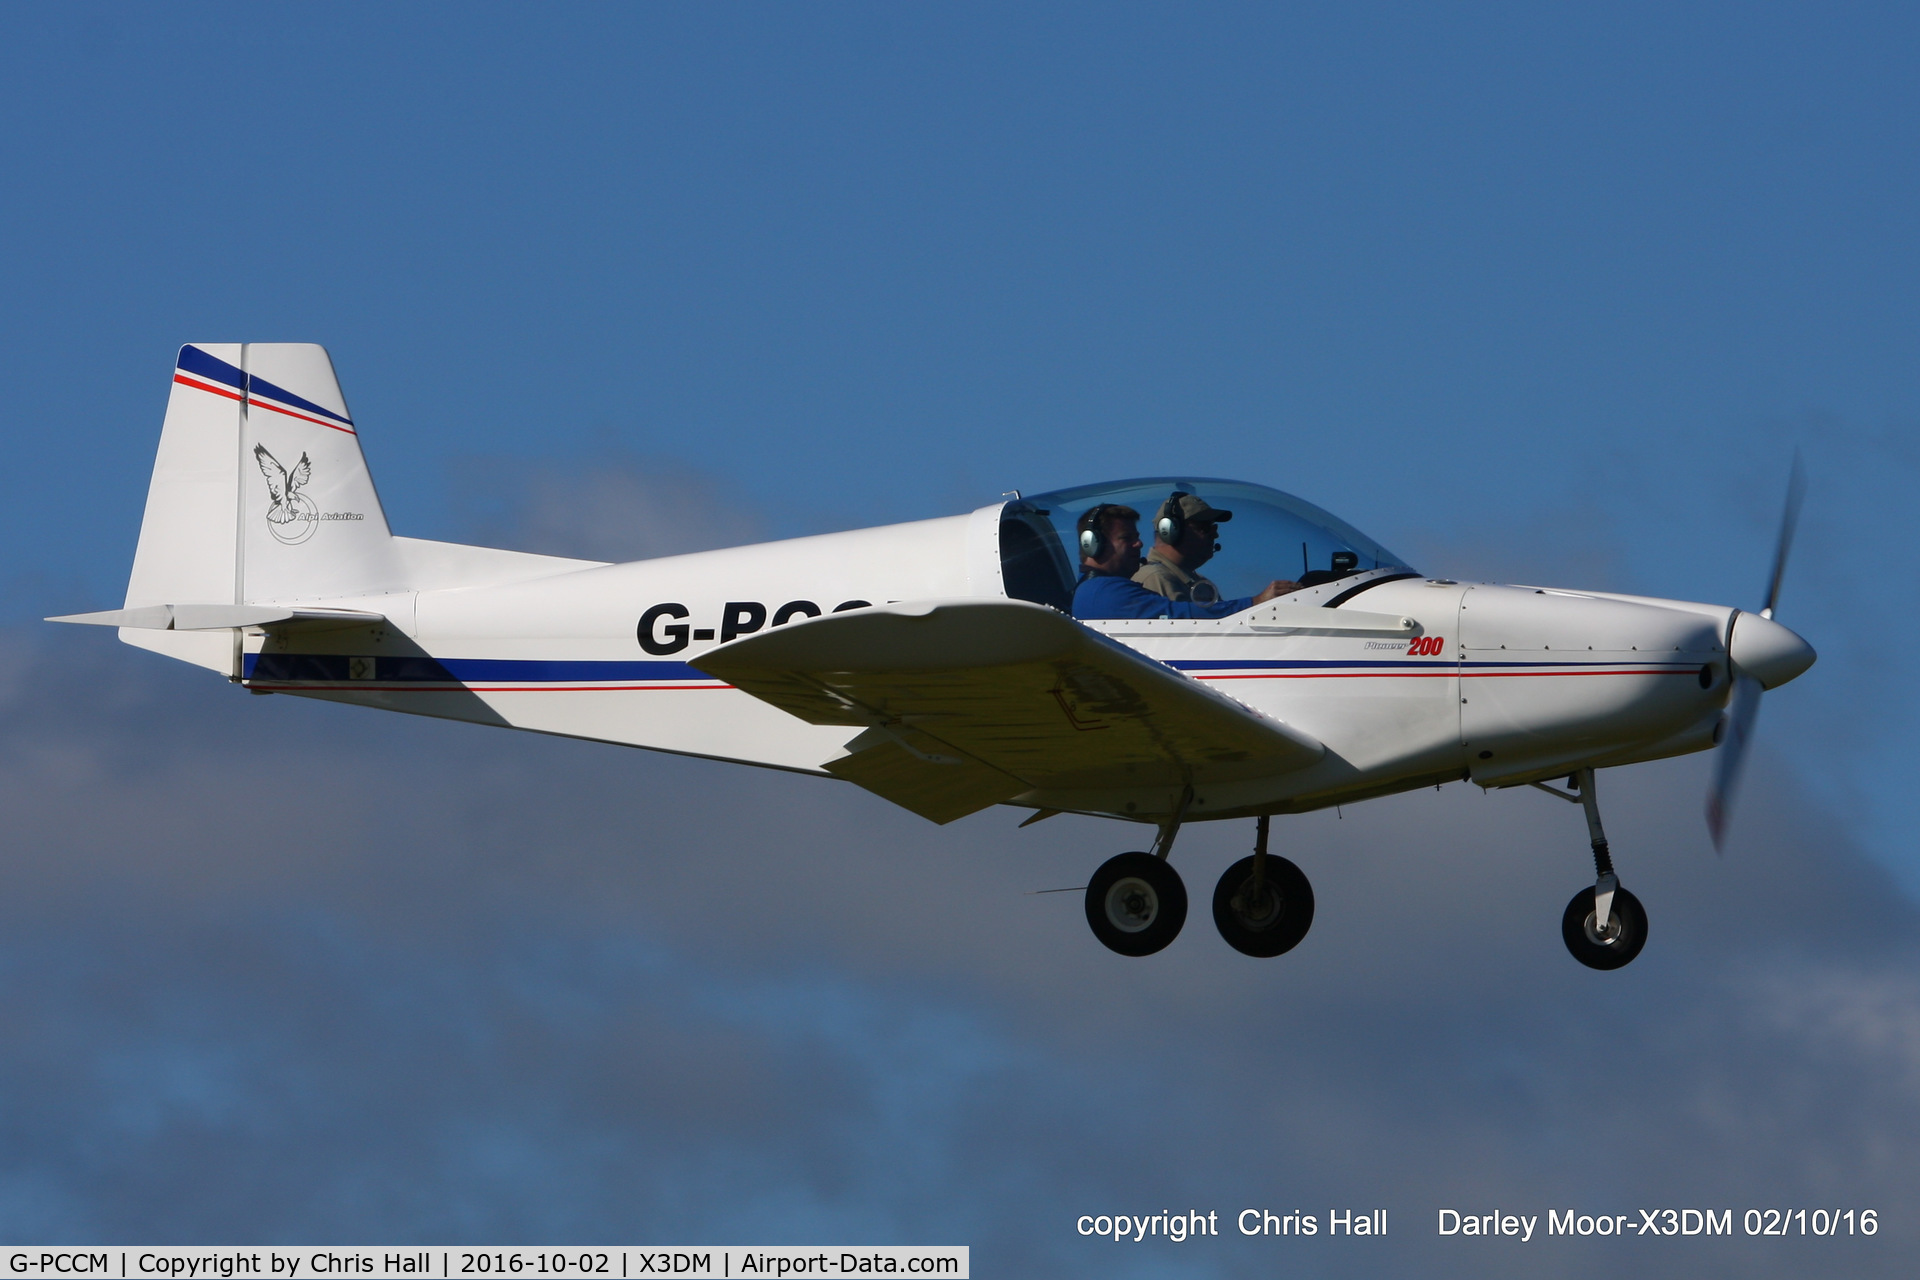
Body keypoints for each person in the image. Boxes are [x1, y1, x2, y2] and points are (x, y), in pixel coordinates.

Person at [1071, 503, 1300, 620]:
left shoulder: (1107, 590)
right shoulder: (1103, 592)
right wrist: (1255, 602)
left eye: (1137, 537)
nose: (1138, 544)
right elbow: (1179, 617)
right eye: (1127, 538)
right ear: (1092, 544)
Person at [1133, 492, 1266, 605]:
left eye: (1214, 528)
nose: (1215, 534)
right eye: (1205, 528)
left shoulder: (1200, 583)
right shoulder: (1155, 578)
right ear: (1170, 531)